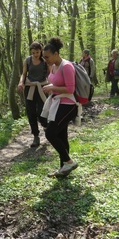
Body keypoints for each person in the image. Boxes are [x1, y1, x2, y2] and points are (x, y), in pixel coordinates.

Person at [41, 37, 79, 177]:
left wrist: (52, 87)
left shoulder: (67, 66)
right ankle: (64, 169)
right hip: (58, 103)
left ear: (56, 53)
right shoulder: (54, 67)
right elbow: (55, 83)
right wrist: (51, 88)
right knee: (62, 137)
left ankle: (69, 162)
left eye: (48, 57)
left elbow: (70, 89)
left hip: (68, 105)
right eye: (44, 57)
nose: (46, 60)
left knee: (50, 132)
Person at [17, 42, 49, 148]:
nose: (35, 54)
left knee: (41, 112)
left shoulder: (45, 61)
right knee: (31, 113)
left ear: (41, 51)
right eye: (33, 52)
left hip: (42, 88)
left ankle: (45, 126)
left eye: (37, 52)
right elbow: (24, 73)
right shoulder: (28, 60)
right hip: (30, 88)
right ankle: (36, 136)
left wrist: (51, 85)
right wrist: (21, 82)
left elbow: (50, 74)